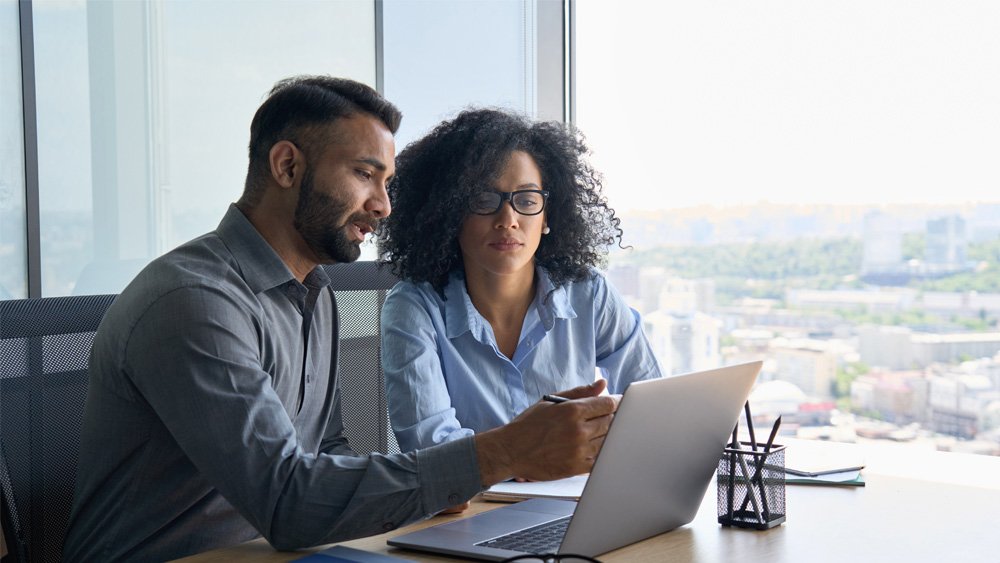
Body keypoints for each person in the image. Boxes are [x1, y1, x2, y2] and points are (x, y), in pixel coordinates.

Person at [62, 77, 618, 562]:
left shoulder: (314, 293)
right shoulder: (194, 301)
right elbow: (288, 502)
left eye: (386, 181)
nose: (384, 205)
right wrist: (502, 452)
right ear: (287, 166)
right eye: (364, 174)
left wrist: (439, 482)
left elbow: (325, 456)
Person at [377, 109, 663, 460]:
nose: (508, 220)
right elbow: (433, 452)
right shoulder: (413, 308)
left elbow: (652, 405)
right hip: (472, 509)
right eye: (484, 200)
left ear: (547, 217)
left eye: (527, 201)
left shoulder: (589, 293)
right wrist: (533, 454)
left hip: (576, 499)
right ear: (451, 213)